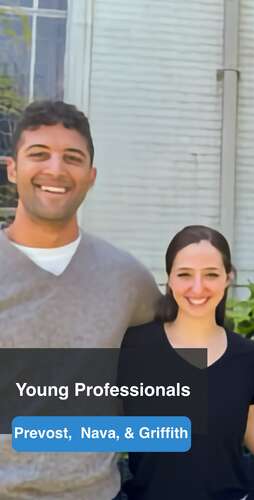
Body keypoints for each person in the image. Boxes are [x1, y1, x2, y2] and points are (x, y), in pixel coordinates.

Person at [0, 101, 161, 500]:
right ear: (12, 169)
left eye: (72, 158)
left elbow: (182, 343)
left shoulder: (127, 278)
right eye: (39, 154)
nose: (55, 169)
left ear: (91, 177)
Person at [121, 225, 254, 500]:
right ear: (169, 279)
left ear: (228, 278)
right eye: (185, 275)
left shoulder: (246, 356)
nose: (198, 287)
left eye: (211, 274)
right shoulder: (133, 348)